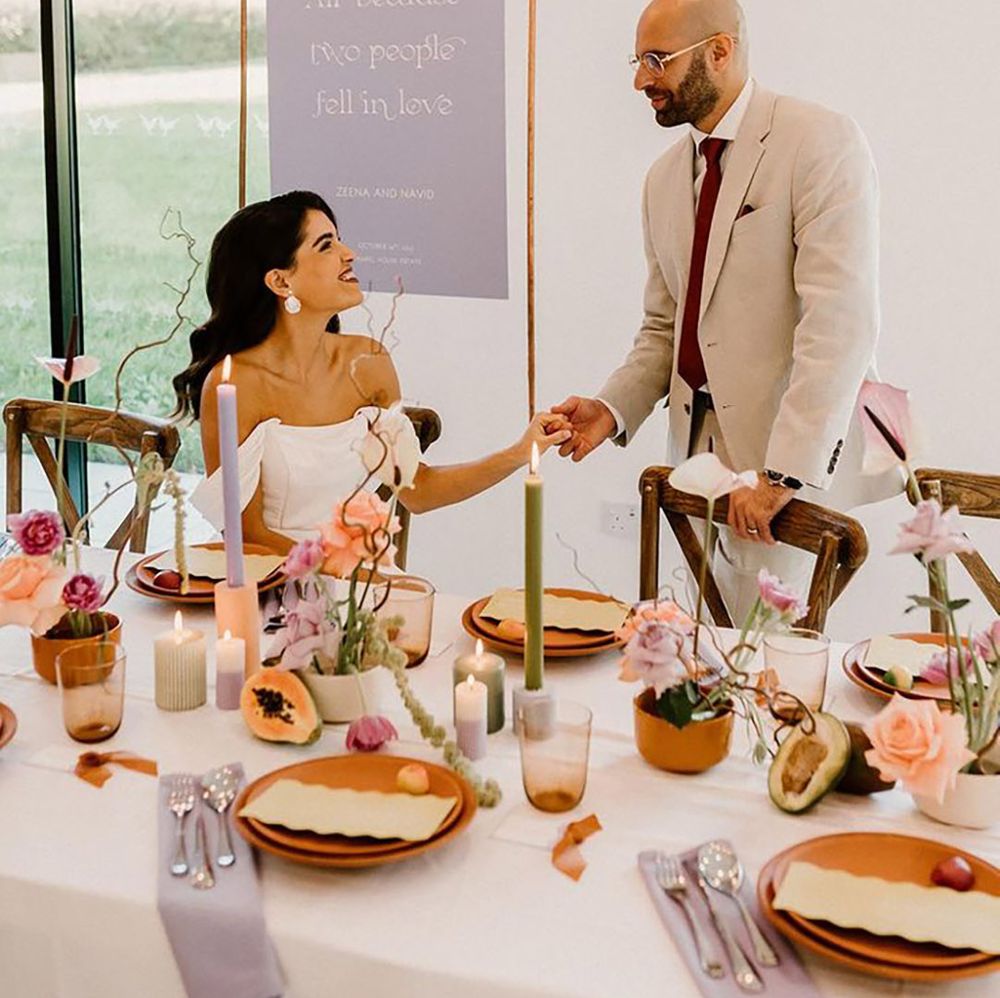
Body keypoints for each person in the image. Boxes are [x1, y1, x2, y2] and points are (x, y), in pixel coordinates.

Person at [552, 0, 899, 617]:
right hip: (692, 462)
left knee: (774, 665)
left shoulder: (819, 140)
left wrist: (783, 476)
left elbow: (840, 324)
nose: (640, 79)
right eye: (638, 61)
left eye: (657, 60)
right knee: (701, 655)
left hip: (788, 468)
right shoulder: (662, 180)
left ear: (720, 51)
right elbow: (666, 328)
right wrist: (611, 408)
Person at [173, 190, 570, 553]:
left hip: (363, 585)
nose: (349, 254)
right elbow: (247, 535)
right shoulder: (235, 384)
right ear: (280, 281)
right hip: (277, 588)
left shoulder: (369, 362)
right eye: (326, 246)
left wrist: (521, 451)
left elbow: (418, 489)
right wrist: (332, 572)